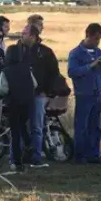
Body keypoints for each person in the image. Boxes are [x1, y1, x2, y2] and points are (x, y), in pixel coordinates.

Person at [68, 23, 101, 164]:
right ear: (88, 35)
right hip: (83, 94)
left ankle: (93, 155)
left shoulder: (99, 52)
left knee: (95, 126)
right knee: (82, 126)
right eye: (96, 38)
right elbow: (72, 72)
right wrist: (90, 65)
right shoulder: (75, 53)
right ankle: (79, 156)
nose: (97, 42)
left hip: (97, 93)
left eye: (99, 39)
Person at [17, 23, 60, 167]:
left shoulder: (45, 52)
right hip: (20, 95)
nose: (21, 35)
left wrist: (48, 92)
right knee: (20, 126)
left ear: (33, 36)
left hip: (38, 95)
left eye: (25, 33)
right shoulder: (17, 50)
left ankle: (36, 156)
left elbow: (54, 73)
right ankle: (21, 155)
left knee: (36, 126)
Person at [0, 45, 37, 173]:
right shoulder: (26, 69)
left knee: (15, 134)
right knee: (24, 127)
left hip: (13, 104)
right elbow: (35, 84)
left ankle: (17, 162)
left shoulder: (6, 71)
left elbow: (4, 89)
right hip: (27, 103)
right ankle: (29, 145)